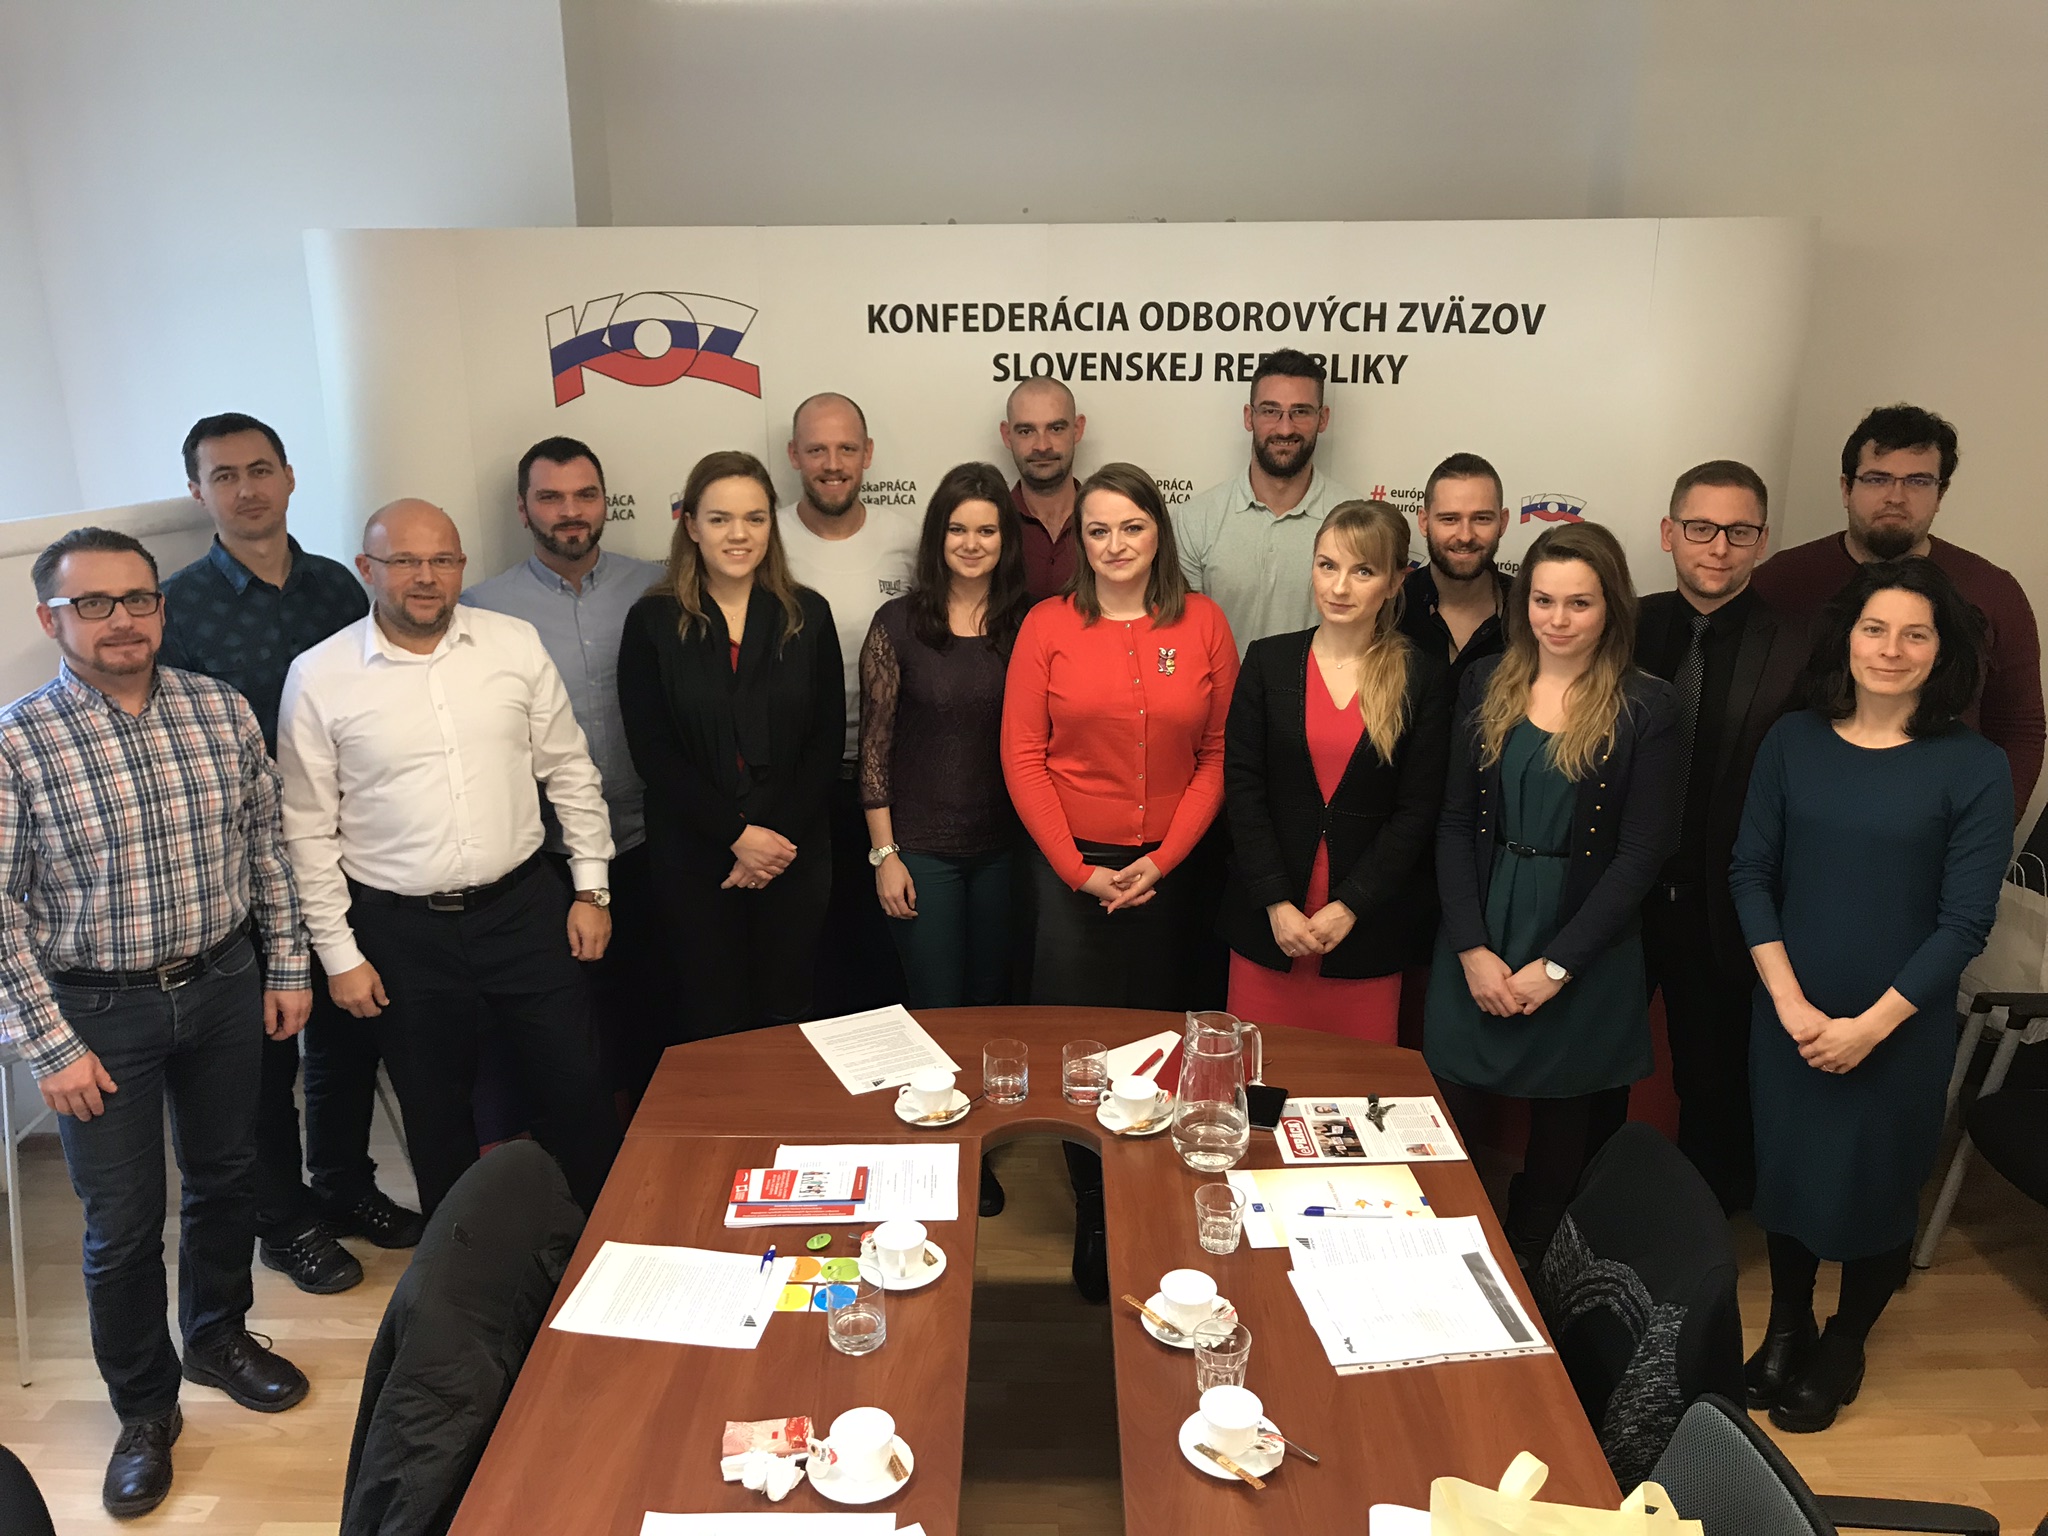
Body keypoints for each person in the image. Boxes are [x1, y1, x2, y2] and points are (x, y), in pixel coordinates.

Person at [0, 527, 312, 1518]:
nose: (122, 619)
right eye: (92, 604)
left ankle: (218, 1336)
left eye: (138, 598)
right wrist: (50, 1046)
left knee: (227, 1178)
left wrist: (286, 965)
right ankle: (144, 1408)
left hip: (222, 984)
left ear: (161, 607)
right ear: (51, 618)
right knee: (122, 1226)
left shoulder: (220, 710)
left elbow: (266, 847)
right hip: (99, 1012)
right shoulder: (16, 743)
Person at [277, 500, 621, 1220]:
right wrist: (339, 955)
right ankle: (464, 1264)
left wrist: (592, 889)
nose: (426, 577)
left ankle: (601, 1237)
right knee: (436, 1115)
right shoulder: (319, 675)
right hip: (401, 933)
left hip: (524, 910)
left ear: (462, 566)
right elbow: (306, 831)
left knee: (577, 1086)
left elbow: (569, 768)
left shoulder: (512, 644)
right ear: (367, 569)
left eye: (442, 560)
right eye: (404, 561)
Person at [1732, 557, 2010, 1434]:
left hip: (1900, 1024)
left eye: (1915, 634)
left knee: (1876, 1186)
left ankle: (1845, 1342)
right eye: (1875, 628)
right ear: (1846, 638)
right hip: (1791, 1010)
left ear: (1942, 651)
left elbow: (1965, 924)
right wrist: (1790, 1006)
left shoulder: (1976, 767)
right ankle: (1787, 1326)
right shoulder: (1793, 741)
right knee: (1787, 1174)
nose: (1891, 649)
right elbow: (1750, 874)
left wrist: (1870, 1028)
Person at [160, 412, 419, 1298]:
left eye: (261, 469)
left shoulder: (337, 588)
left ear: (290, 476)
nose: (247, 489)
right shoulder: (177, 607)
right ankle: (283, 1220)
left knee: (348, 1037)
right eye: (224, 475)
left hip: (343, 851)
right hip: (238, 870)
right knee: (265, 1056)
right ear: (198, 492)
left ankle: (344, 1186)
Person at [1003, 462, 1239, 1300]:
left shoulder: (1204, 622)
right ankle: (1095, 1207)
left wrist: (1163, 860)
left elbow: (1218, 754)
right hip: (1073, 870)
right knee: (1087, 1054)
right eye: (1098, 530)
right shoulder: (1047, 625)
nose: (1114, 545)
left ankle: (1151, 1200)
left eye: (1131, 527)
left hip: (1175, 868)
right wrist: (1078, 872)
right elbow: (1022, 756)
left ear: (1158, 533)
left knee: (1164, 1045)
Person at [1426, 520, 1680, 1266]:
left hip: (1583, 938)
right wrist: (1471, 949)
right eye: (1544, 600)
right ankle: (1450, 1252)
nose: (1558, 620)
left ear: (1611, 607)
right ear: (1523, 603)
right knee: (1449, 1109)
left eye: (1579, 603)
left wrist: (1558, 966)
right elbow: (1453, 822)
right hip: (1482, 923)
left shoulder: (1647, 706)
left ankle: (1534, 1262)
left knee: (1565, 1123)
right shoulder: (1485, 681)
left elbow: (1641, 854)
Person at [463, 436, 669, 1107]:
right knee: (567, 1022)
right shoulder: (481, 610)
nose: (570, 511)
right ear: (523, 509)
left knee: (655, 1003)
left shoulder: (658, 586)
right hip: (548, 855)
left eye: (585, 495)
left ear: (606, 502)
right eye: (550, 497)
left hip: (654, 835)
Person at [1633, 460, 1808, 1212]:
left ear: (1762, 541)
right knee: (1592, 1065)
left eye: (1739, 532)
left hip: (1723, 905)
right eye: (1701, 528)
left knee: (1712, 1080)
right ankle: (1585, 1213)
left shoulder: (1801, 644)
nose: (1718, 547)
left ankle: (1702, 1229)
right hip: (1619, 895)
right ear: (1669, 532)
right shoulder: (1624, 623)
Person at [619, 451, 842, 1037]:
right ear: (691, 525)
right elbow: (652, 751)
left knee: (789, 1013)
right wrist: (738, 837)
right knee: (712, 1015)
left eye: (754, 518)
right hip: (695, 856)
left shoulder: (808, 614)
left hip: (792, 852)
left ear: (771, 525)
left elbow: (826, 741)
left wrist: (771, 842)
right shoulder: (652, 622)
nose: (738, 534)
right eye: (720, 519)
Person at [1220, 500, 1451, 1039]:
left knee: (1354, 1084)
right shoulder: (1268, 661)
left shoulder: (1422, 677)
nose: (1339, 587)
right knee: (1255, 1076)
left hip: (1364, 933)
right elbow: (1244, 790)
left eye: (1362, 571)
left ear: (1396, 581)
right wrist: (1275, 902)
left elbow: (1416, 812)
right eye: (1327, 566)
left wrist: (1351, 906)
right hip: (1269, 928)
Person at [1751, 403, 2043, 814]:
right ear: (1846, 488)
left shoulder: (1993, 592)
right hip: (1797, 818)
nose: (1895, 497)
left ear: (1940, 494)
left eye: (1918, 481)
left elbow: (2019, 725)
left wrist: (1987, 828)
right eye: (1877, 478)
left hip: (1941, 823)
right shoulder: (1780, 581)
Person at [859, 462, 1031, 1008]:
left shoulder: (1030, 624)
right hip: (920, 853)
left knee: (993, 1003)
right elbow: (874, 750)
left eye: (986, 530)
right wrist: (885, 855)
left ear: (1006, 539)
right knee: (936, 1005)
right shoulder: (897, 623)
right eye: (958, 529)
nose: (971, 544)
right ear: (937, 535)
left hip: (1006, 851)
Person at [777, 393, 919, 1015]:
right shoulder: (767, 539)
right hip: (801, 778)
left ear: (867, 454)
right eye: (817, 449)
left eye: (845, 449)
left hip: (892, 779)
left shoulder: (907, 538)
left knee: (887, 944)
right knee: (813, 946)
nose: (832, 464)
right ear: (793, 455)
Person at [1176, 348, 1361, 650]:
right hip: (1225, 683)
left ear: (1323, 418)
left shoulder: (1358, 520)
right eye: (1270, 411)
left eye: (1300, 411)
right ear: (1249, 417)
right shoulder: (1194, 520)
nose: (1285, 428)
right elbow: (1185, 641)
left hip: (1321, 683)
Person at [1397, 452, 1514, 692]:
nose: (1465, 536)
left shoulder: (1530, 612)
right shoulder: (1391, 608)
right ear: (1424, 522)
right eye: (1449, 519)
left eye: (1481, 518)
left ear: (1502, 522)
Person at [999, 377, 1087, 601]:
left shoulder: (1109, 523)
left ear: (1077, 430)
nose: (1042, 446)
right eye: (1026, 431)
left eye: (1056, 429)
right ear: (1007, 436)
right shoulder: (989, 526)